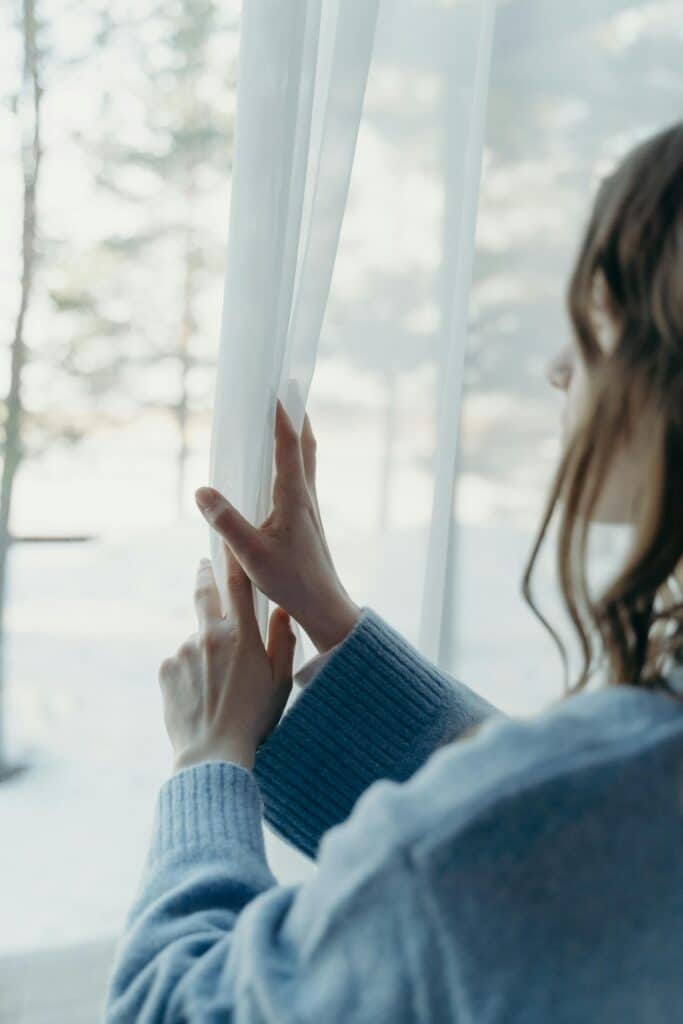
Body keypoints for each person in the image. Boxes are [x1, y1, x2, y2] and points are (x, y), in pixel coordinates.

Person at [103, 123, 683, 1022]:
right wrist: (336, 629)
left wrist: (208, 764)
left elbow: (172, 1008)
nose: (560, 368)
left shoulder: (583, 804)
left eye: (597, 320)